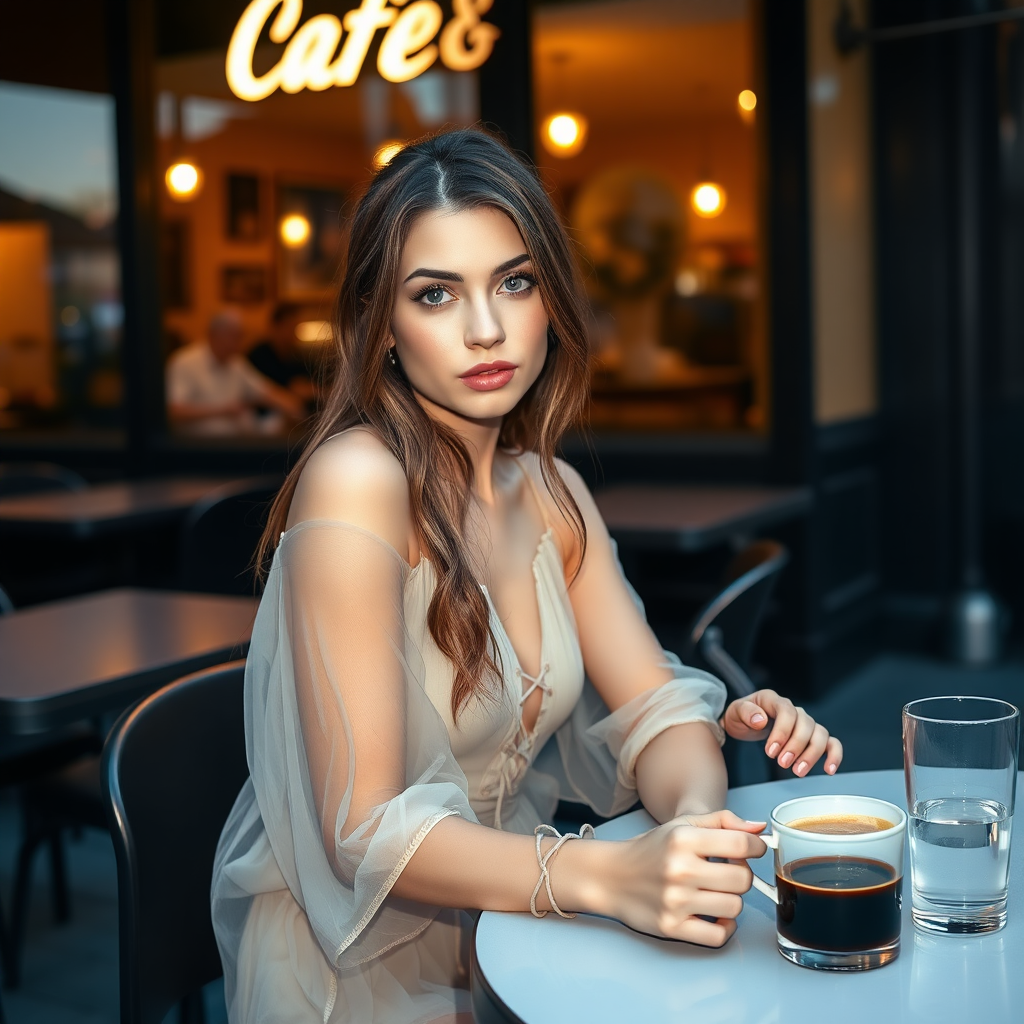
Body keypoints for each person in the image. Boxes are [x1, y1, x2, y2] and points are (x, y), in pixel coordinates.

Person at [211, 129, 842, 1024]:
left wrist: (695, 834)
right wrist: (607, 873)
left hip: (517, 918)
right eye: (435, 294)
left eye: (515, 281)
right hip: (357, 962)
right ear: (381, 326)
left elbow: (656, 708)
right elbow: (363, 832)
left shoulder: (551, 489)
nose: (486, 328)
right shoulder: (357, 480)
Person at [166, 309, 304, 436]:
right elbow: (173, 411)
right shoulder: (184, 362)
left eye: (240, 336)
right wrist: (221, 411)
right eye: (234, 336)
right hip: (196, 449)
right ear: (214, 334)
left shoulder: (236, 363)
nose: (239, 342)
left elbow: (265, 391)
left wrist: (295, 407)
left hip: (235, 444)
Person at [247, 303, 319, 407]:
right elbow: (257, 391)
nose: (292, 332)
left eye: (295, 328)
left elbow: (310, 384)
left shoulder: (297, 355)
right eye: (289, 327)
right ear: (275, 326)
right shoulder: (259, 355)